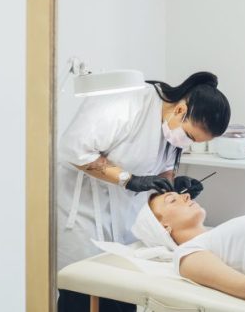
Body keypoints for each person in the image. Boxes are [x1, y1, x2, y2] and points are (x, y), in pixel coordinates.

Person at [56, 72, 231, 312]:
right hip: (83, 213)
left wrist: (175, 185)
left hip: (125, 217)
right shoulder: (128, 101)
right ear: (180, 110)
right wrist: (130, 180)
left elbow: (162, 177)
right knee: (83, 290)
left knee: (120, 293)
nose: (186, 143)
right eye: (189, 136)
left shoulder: (171, 130)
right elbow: (74, 149)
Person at [131, 191, 245, 303]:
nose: (187, 195)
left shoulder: (218, 233)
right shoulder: (187, 253)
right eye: (172, 200)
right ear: (163, 227)